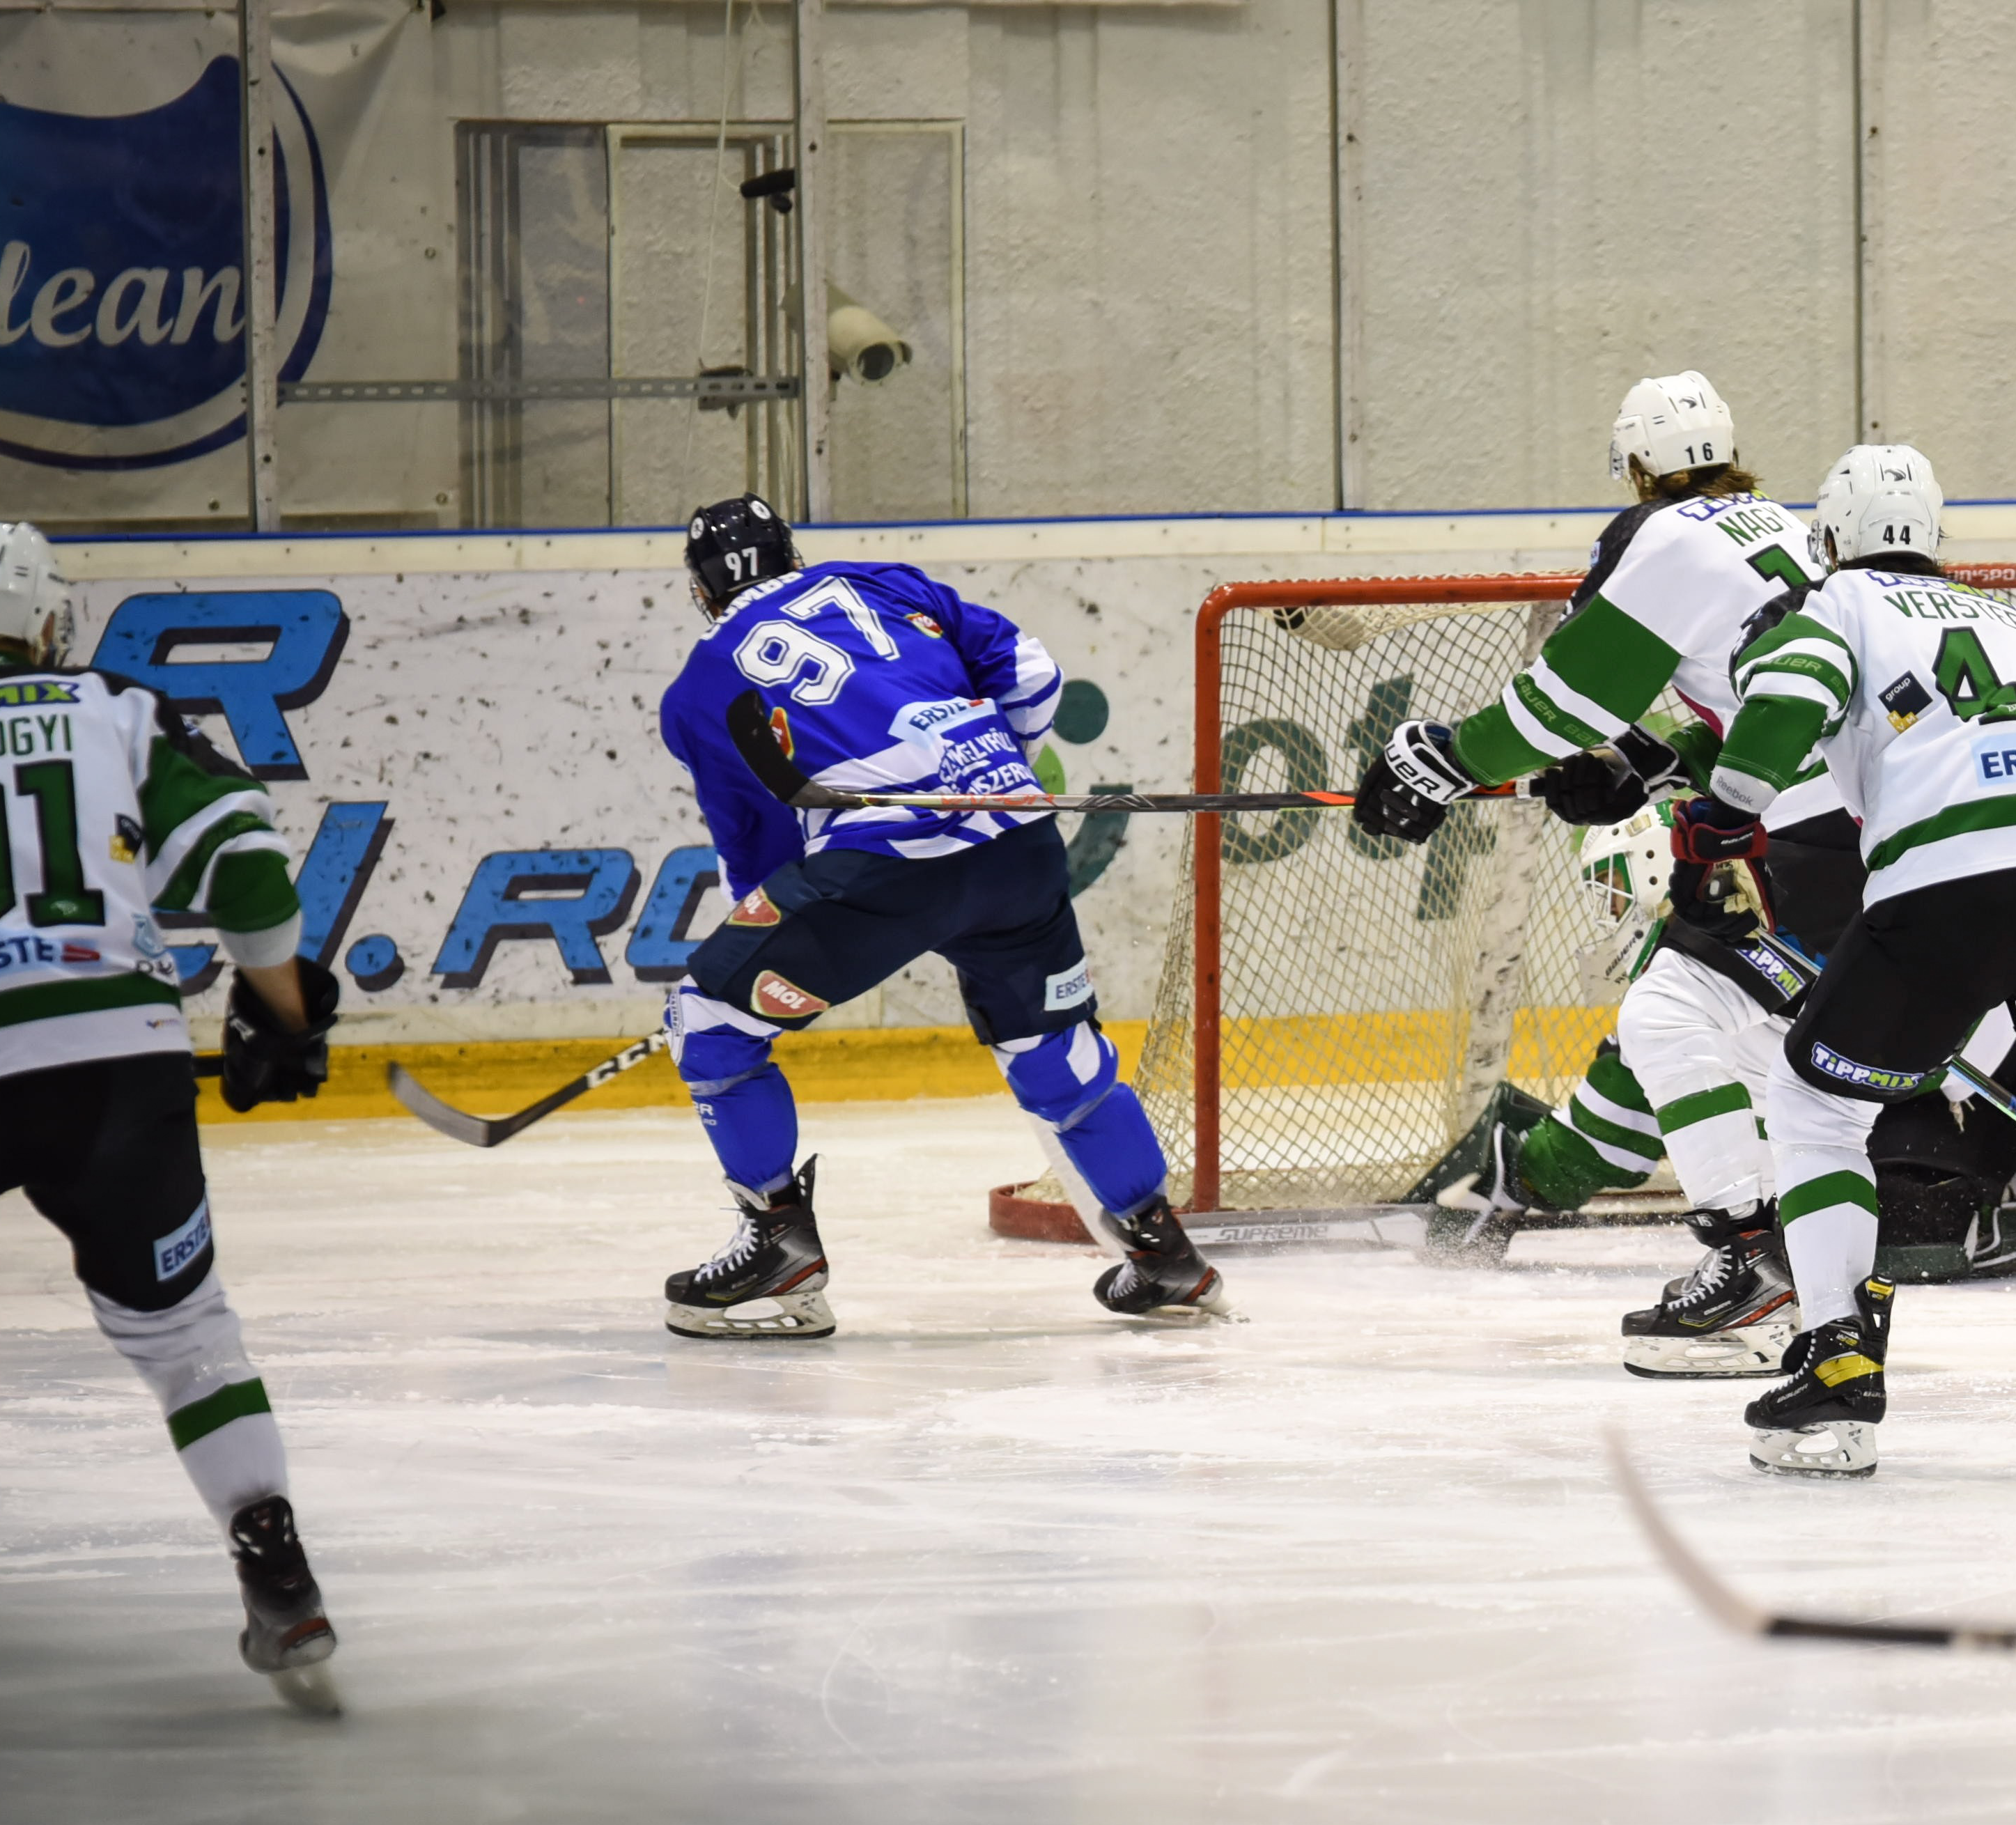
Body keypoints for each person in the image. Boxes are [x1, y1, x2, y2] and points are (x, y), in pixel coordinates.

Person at [0, 518, 344, 1711]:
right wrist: (284, 1013)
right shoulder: (108, 707)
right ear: (47, 622)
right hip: (109, 1060)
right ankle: (277, 1561)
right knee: (186, 1336)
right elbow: (245, 861)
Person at [1702, 444, 2016, 1474]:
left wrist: (1724, 811)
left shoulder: (1835, 607)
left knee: (1814, 1109)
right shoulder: (2012, 623)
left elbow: (1791, 700)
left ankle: (1838, 1366)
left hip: (1954, 887)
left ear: (1830, 536)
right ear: (1935, 535)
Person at [1355, 370, 1853, 1372]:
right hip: (1876, 825)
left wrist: (1444, 761)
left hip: (1815, 847)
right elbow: (1784, 706)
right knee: (1701, 1018)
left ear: (1635, 466)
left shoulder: (1663, 538)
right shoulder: (1790, 530)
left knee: (1684, 1017)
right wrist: (1657, 761)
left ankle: (1758, 1260)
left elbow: (1565, 705)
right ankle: (1685, 1211)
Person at [654, 495, 1220, 1336]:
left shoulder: (699, 686)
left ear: (702, 590)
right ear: (792, 552)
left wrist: (777, 934)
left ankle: (777, 1249)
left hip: (883, 866)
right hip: (1016, 840)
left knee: (706, 1017)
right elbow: (1032, 675)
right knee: (1053, 1050)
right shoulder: (879, 582)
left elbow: (758, 847)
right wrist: (986, 786)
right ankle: (1162, 1254)